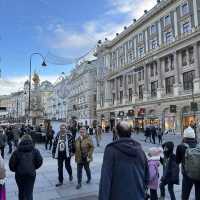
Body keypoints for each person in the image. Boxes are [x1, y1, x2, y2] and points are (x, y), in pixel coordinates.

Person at [99, 121, 149, 200]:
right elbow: (147, 176)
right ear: (131, 132)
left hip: (117, 195)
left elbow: (105, 179)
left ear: (117, 133)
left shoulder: (111, 150)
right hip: (137, 195)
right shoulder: (139, 149)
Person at [9, 134, 43, 200]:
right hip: (31, 174)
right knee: (29, 192)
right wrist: (33, 167)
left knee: (21, 191)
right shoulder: (35, 150)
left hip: (19, 174)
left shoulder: (16, 151)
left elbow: (11, 165)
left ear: (21, 140)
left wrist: (17, 169)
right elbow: (40, 161)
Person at [176, 126, 200, 200]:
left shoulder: (181, 146)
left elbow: (177, 161)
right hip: (198, 174)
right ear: (194, 136)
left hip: (187, 175)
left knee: (185, 196)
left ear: (185, 136)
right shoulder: (198, 146)